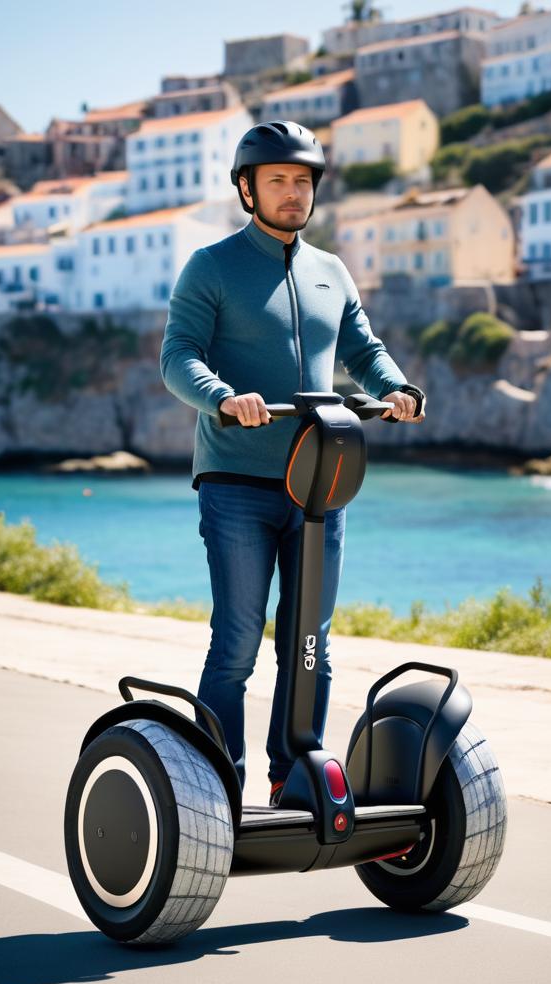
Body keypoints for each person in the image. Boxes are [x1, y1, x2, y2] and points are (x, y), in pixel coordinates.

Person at [160, 120, 424, 805]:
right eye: (276, 180)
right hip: (237, 483)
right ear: (247, 189)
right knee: (239, 643)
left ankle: (293, 776)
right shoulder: (212, 266)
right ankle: (215, 785)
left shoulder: (331, 272)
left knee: (310, 646)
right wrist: (222, 398)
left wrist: (393, 388)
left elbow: (363, 350)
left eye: (302, 181)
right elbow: (178, 357)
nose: (291, 193)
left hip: (319, 482)